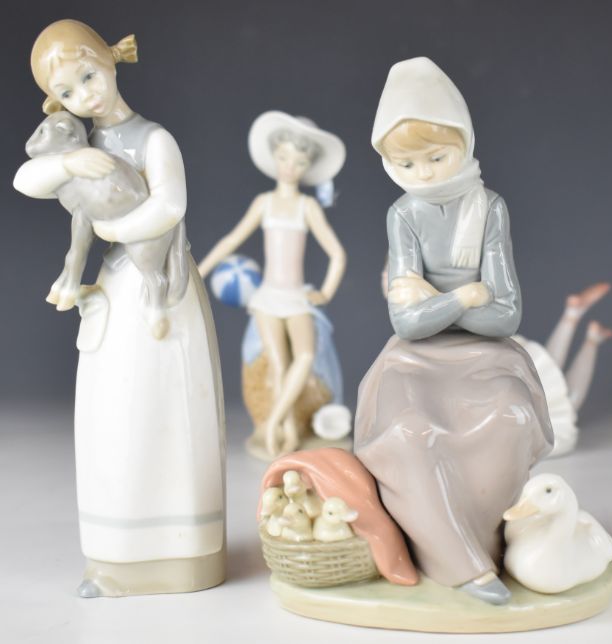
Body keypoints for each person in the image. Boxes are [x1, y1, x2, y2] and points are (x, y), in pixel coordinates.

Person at [13, 19, 225, 597]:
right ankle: (116, 559)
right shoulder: (75, 144)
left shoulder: (154, 139)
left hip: (159, 284)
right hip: (116, 287)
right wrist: (69, 165)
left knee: (165, 408)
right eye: (67, 91)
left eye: (88, 76)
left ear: (109, 62)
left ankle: (186, 557)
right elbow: (26, 179)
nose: (85, 96)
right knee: (114, 414)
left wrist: (112, 228)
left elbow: (170, 206)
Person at [354, 57, 553, 605]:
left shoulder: (488, 208)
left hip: (488, 356)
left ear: (463, 144)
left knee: (511, 417)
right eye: (406, 163)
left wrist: (435, 299)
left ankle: (493, 545)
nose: (423, 174)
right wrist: (467, 295)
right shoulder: (403, 215)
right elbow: (406, 324)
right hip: (413, 360)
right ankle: (455, 562)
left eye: (437, 157)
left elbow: (506, 315)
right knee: (408, 432)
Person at [199, 112, 346, 459]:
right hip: (267, 298)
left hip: (296, 298)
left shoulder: (307, 206)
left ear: (307, 167)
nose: (289, 167)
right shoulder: (264, 203)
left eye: (299, 162)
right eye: (283, 158)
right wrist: (199, 270)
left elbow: (338, 254)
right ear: (274, 158)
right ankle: (289, 432)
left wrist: (325, 293)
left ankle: (275, 422)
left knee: (305, 356)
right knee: (279, 362)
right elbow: (231, 240)